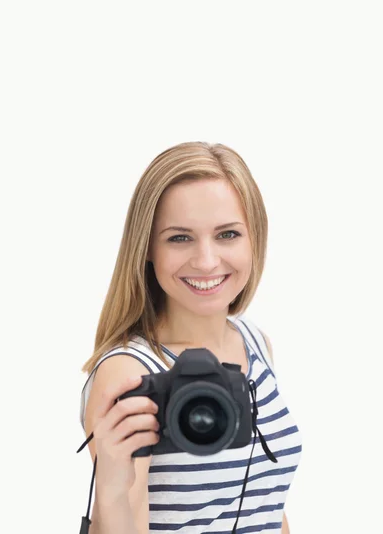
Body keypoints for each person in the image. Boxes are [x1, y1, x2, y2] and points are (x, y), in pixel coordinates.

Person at [78, 141, 302, 534]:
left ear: (255, 239)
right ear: (146, 248)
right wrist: (111, 491)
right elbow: (123, 517)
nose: (206, 260)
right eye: (180, 238)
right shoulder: (129, 374)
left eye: (228, 234)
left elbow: (268, 505)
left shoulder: (255, 341)